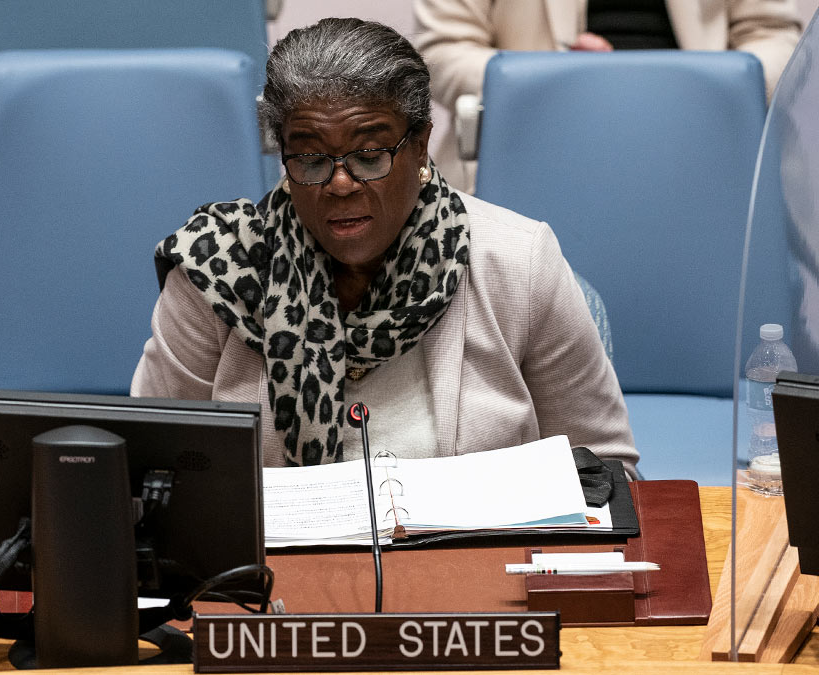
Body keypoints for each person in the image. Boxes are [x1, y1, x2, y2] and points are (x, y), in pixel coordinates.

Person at [131, 17, 636, 475]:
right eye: (310, 158)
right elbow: (151, 471)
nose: (340, 184)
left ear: (420, 145)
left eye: (370, 155)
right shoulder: (215, 271)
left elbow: (607, 471)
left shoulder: (519, 262)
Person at [414, 0, 803, 191]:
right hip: (537, 146)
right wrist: (556, 84)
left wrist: (702, 92)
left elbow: (775, 37)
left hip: (704, 147)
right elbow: (442, 49)